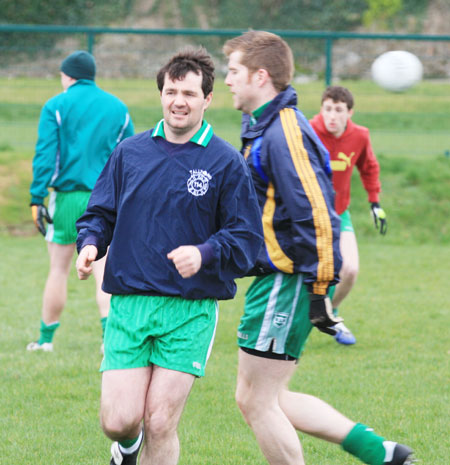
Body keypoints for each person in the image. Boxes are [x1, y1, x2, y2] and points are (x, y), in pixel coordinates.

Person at [223, 30, 413, 465]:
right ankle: (379, 451)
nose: (228, 79)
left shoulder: (284, 133)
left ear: (260, 75)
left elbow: (318, 217)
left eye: (233, 70)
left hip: (287, 280)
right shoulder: (265, 125)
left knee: (257, 401)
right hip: (278, 277)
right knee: (264, 396)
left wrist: (318, 289)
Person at [75, 47, 263, 465]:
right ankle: (126, 446)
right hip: (129, 305)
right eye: (172, 91)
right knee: (119, 420)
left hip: (190, 311)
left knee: (160, 422)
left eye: (190, 94)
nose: (179, 100)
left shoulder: (226, 161)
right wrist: (90, 244)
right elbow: (100, 212)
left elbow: (247, 238)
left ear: (207, 100)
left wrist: (206, 252)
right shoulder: (130, 153)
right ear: (161, 94)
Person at [27, 50, 134, 353]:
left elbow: (46, 156)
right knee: (104, 270)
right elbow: (130, 157)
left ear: (67, 75)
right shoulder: (118, 108)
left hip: (68, 199)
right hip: (107, 199)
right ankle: (109, 341)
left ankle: (45, 341)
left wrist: (36, 197)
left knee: (58, 270)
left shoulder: (56, 105)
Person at [310, 86, 387, 345]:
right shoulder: (307, 131)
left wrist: (375, 202)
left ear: (349, 113)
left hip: (339, 213)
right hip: (306, 216)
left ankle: (328, 314)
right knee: (305, 275)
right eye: (327, 109)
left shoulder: (360, 136)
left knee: (350, 270)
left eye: (339, 110)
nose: (332, 116)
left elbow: (369, 167)